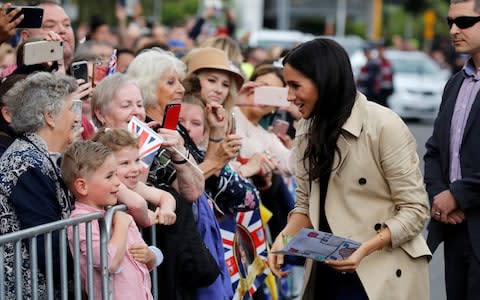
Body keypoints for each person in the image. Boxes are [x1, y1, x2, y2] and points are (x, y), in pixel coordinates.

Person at [267, 38, 431, 300]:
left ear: (324, 80)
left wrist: (365, 249)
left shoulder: (383, 125)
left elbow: (415, 209)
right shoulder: (308, 129)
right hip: (326, 267)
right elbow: (306, 205)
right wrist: (284, 240)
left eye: (296, 85)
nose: (289, 96)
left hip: (379, 271)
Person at [0, 72, 78, 298]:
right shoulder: (26, 163)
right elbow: (48, 245)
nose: (76, 117)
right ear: (50, 117)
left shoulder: (38, 155)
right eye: (71, 108)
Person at [425, 1, 480, 299]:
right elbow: (434, 150)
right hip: (454, 228)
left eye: (464, 21)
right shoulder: (455, 83)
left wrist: (457, 195)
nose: (454, 30)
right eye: (450, 22)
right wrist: (439, 195)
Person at [61, 140, 160, 300]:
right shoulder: (81, 222)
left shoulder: (116, 212)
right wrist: (121, 224)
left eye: (115, 174)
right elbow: (109, 262)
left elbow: (142, 256)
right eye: (109, 176)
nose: (117, 182)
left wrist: (151, 256)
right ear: (82, 186)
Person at [91, 128, 177, 226]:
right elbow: (137, 205)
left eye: (137, 160)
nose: (135, 168)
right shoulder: (113, 186)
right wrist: (148, 219)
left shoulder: (134, 186)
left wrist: (167, 209)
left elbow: (165, 196)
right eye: (125, 163)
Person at [20, 0, 76, 67]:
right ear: (26, 37)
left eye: (66, 24)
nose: (62, 30)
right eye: (50, 25)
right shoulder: (16, 77)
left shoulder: (87, 72)